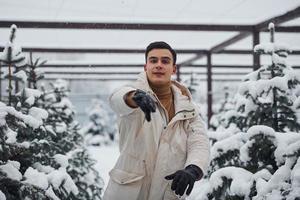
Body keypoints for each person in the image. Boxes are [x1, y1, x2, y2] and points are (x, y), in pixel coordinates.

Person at [103, 41, 210, 200]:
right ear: (145, 66)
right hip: (128, 192)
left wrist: (193, 168)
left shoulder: (188, 108)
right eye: (153, 60)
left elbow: (199, 141)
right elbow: (116, 99)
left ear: (174, 68)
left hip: (167, 192)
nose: (159, 65)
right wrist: (133, 98)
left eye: (165, 61)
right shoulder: (133, 95)